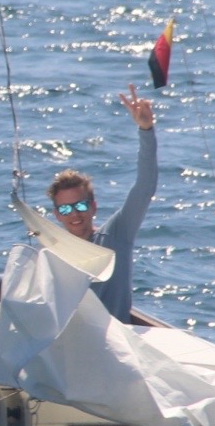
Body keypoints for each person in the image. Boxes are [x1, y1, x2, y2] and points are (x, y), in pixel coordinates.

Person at [47, 83, 159, 323]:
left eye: (80, 206)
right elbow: (25, 279)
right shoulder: (52, 250)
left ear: (93, 207)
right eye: (66, 209)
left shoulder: (117, 234)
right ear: (57, 215)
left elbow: (145, 186)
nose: (74, 214)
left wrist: (146, 130)